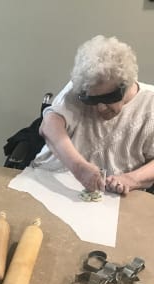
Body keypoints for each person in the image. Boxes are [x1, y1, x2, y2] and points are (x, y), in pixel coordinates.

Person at [32, 35, 154, 195]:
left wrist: (130, 179)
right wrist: (79, 167)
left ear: (127, 83)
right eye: (92, 100)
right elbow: (49, 125)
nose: (101, 108)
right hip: (52, 179)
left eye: (108, 98)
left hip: (112, 195)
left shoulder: (150, 104)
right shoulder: (83, 86)